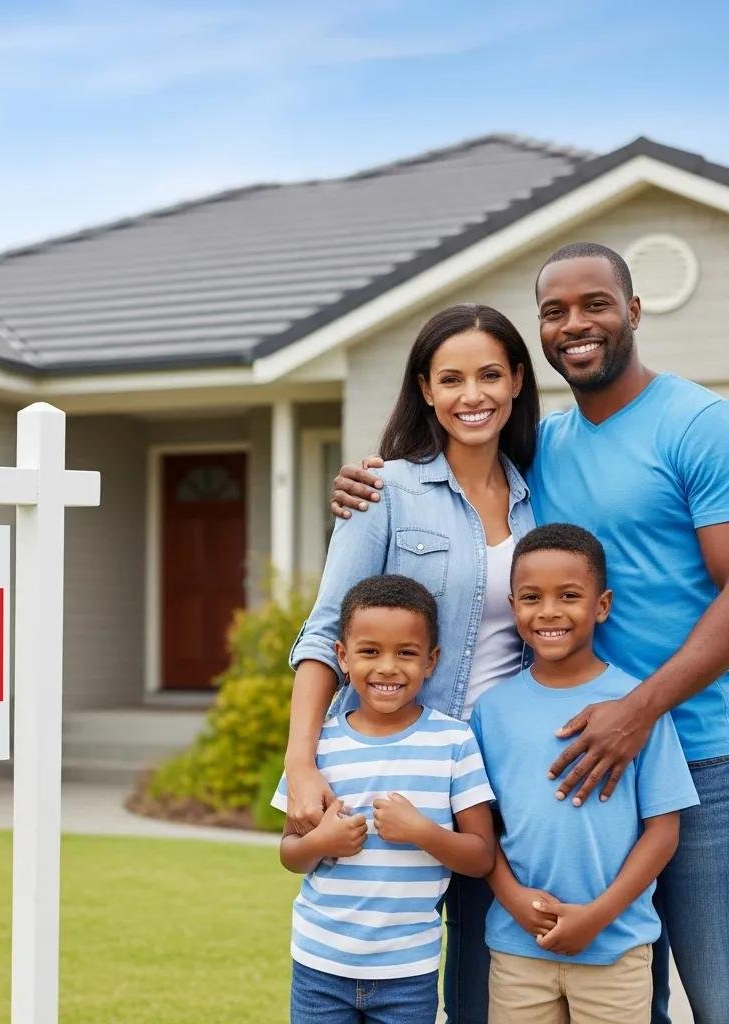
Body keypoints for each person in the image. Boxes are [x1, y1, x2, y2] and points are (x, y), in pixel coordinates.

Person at [330, 242, 729, 1024]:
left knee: (715, 996)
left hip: (702, 751)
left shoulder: (699, 422)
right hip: (576, 761)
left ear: (635, 312)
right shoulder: (540, 452)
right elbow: (460, 473)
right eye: (555, 312)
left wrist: (639, 711)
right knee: (619, 987)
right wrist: (364, 483)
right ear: (539, 338)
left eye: (596, 305)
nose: (575, 325)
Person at [285, 302, 540, 1023]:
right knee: (393, 961)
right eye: (451, 378)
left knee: (492, 979)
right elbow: (323, 633)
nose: (473, 395)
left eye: (490, 375)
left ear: (518, 381)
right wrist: (302, 762)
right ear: (425, 390)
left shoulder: (534, 498)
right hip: (405, 769)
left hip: (501, 773)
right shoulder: (385, 490)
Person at [470, 523, 698, 1023]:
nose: (549, 611)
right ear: (513, 606)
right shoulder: (492, 711)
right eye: (531, 597)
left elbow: (663, 832)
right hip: (517, 947)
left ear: (602, 605)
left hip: (614, 948)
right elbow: (480, 826)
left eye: (569, 596)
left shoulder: (636, 708)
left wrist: (596, 917)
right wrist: (513, 899)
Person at [273, 574, 496, 1024]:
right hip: (320, 964)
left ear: (431, 660)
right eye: (370, 652)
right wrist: (322, 843)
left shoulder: (454, 742)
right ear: (342, 656)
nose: (388, 668)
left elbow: (481, 857)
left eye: (407, 653)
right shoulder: (317, 747)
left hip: (407, 972)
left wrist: (422, 832)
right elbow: (290, 855)